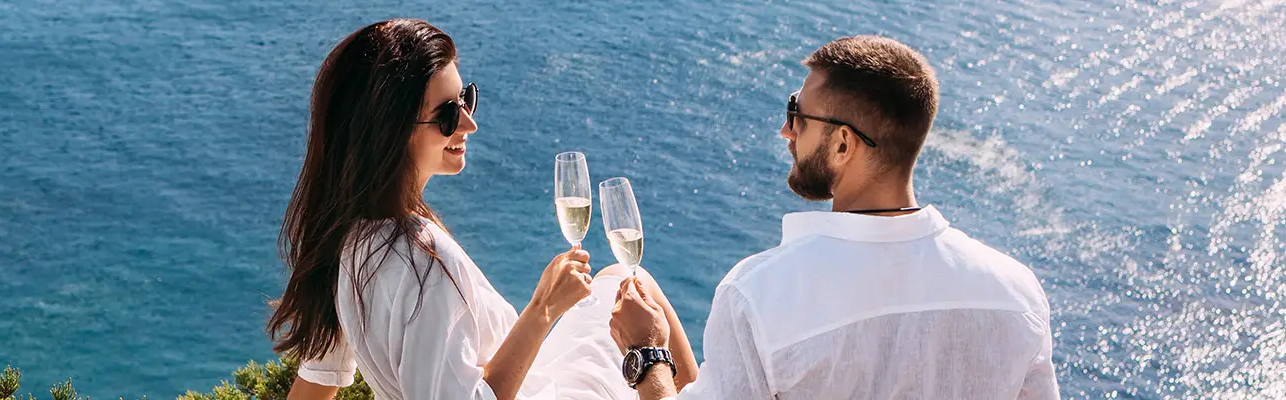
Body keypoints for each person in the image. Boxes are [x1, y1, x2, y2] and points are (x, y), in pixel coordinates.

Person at [610, 35, 1060, 399]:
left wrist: (646, 353)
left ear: (844, 145)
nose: (786, 130)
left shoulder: (762, 295)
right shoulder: (1016, 293)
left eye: (797, 115)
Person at [267, 19, 599, 399]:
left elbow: (316, 383)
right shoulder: (425, 263)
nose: (469, 123)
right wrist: (544, 307)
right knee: (632, 299)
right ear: (390, 132)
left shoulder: (348, 237)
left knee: (617, 285)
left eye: (465, 99)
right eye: (446, 116)